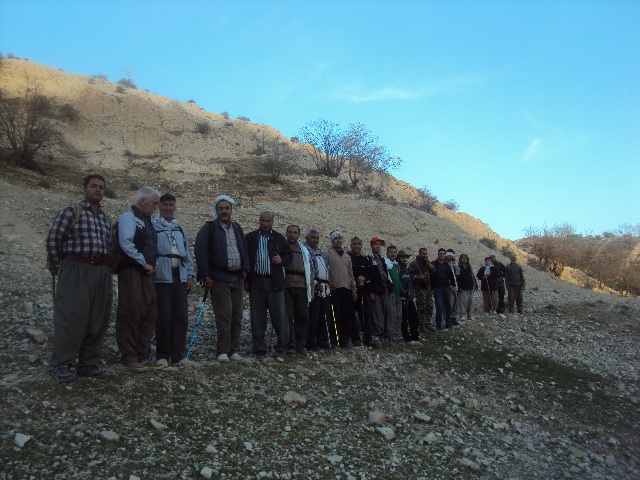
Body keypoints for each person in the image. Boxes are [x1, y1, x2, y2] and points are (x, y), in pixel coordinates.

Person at [46, 174, 113, 381]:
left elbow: (109, 245)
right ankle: (62, 364)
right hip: (75, 267)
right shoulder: (70, 212)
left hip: (100, 270)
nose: (98, 190)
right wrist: (60, 267)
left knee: (97, 319)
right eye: (93, 186)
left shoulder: (105, 219)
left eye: (101, 187)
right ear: (84, 189)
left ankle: (88, 364)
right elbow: (53, 239)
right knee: (71, 317)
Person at [194, 195, 250, 362]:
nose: (224, 211)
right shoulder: (209, 228)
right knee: (224, 314)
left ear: (231, 210)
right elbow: (200, 250)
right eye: (221, 208)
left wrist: (246, 269)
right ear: (216, 210)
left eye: (227, 208)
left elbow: (244, 250)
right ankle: (223, 351)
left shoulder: (237, 228)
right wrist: (205, 275)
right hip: (219, 278)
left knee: (237, 314)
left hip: (238, 277)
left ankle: (234, 350)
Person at [116, 186, 163, 371]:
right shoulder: (128, 218)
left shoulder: (148, 221)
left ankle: (143, 356)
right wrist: (144, 262)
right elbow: (126, 243)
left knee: (150, 312)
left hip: (147, 273)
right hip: (132, 272)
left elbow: (152, 245)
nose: (156, 207)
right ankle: (129, 358)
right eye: (154, 203)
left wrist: (154, 262)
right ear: (142, 201)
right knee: (131, 313)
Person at [152, 193, 195, 367]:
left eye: (171, 205)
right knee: (164, 316)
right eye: (165, 205)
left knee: (180, 316)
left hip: (180, 277)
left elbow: (186, 255)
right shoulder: (154, 227)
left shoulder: (180, 229)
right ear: (159, 206)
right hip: (162, 277)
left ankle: (178, 355)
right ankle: (162, 354)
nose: (168, 208)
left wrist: (190, 275)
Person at [245, 211, 292, 358]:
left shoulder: (278, 238)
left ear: (272, 222)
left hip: (274, 281)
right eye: (263, 220)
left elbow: (289, 255)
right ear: (259, 221)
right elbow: (245, 258)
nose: (265, 223)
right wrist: (246, 279)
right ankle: (259, 348)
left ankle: (282, 345)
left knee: (279, 315)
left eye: (268, 221)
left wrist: (281, 259)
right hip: (256, 281)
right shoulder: (251, 238)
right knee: (257, 316)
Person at [283, 224, 314, 355]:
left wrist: (311, 290)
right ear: (286, 233)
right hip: (286, 287)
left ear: (298, 235)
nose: (292, 234)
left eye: (295, 233)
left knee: (302, 316)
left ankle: (300, 344)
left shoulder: (304, 250)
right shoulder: (281, 247)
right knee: (287, 317)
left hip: (302, 287)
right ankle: (289, 344)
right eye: (290, 232)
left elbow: (311, 271)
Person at [325, 231, 359, 348]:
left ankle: (344, 340)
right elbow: (324, 270)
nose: (338, 240)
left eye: (340, 238)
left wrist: (353, 289)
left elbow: (351, 274)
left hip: (346, 289)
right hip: (334, 289)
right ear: (332, 240)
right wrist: (328, 282)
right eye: (336, 238)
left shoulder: (346, 256)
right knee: (335, 316)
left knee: (347, 315)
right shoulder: (328, 254)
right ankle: (335, 340)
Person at [304, 229, 334, 350]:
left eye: (317, 238)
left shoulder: (320, 252)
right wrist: (314, 283)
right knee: (313, 317)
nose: (315, 240)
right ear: (307, 238)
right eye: (313, 237)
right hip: (314, 287)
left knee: (323, 315)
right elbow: (307, 269)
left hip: (324, 288)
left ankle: (322, 340)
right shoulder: (305, 251)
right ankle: (311, 342)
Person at [348, 237, 379, 349]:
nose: (357, 246)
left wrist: (364, 278)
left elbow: (371, 274)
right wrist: (356, 279)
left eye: (359, 244)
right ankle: (355, 338)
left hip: (363, 290)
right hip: (350, 290)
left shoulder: (365, 259)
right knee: (351, 315)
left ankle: (367, 338)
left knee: (365, 315)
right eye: (354, 244)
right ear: (351, 245)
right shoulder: (347, 257)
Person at [368, 237, 393, 340]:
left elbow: (387, 275)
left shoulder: (382, 260)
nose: (378, 246)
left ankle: (387, 334)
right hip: (375, 289)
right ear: (372, 246)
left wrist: (391, 290)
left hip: (385, 287)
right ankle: (378, 333)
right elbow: (368, 276)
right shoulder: (368, 259)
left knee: (388, 311)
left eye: (379, 244)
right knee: (377, 313)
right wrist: (369, 291)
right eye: (376, 244)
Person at [408, 248, 436, 333]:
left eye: (426, 254)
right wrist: (417, 276)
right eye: (423, 254)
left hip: (427, 288)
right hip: (419, 289)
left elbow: (434, 271)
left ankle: (427, 323)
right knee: (421, 307)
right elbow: (409, 274)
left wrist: (429, 264)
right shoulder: (414, 264)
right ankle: (421, 325)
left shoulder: (427, 263)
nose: (425, 255)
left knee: (429, 306)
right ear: (419, 253)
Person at [397, 250, 420, 343]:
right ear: (399, 258)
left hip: (410, 297)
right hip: (402, 297)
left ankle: (415, 336)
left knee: (414, 317)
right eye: (402, 257)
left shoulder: (407, 268)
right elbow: (398, 282)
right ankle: (406, 337)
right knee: (404, 319)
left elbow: (410, 281)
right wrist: (402, 291)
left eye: (406, 257)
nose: (404, 259)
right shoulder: (398, 268)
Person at [430, 248, 457, 329]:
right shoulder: (434, 264)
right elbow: (430, 277)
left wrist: (453, 285)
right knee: (439, 306)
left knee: (448, 306)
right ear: (438, 254)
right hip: (437, 288)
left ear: (445, 255)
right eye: (440, 253)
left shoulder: (447, 265)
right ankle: (438, 324)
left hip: (446, 287)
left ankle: (448, 323)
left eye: (443, 253)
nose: (442, 255)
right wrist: (431, 288)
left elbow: (451, 276)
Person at [385, 245, 403, 342]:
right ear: (387, 253)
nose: (393, 254)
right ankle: (391, 335)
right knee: (391, 315)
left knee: (398, 316)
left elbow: (398, 280)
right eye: (391, 252)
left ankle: (397, 334)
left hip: (398, 295)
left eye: (394, 252)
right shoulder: (386, 264)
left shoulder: (395, 266)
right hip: (390, 294)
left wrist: (402, 290)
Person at [455, 253, 477, 321]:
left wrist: (475, 284)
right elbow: (457, 277)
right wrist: (459, 287)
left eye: (466, 258)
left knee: (471, 301)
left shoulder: (469, 267)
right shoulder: (458, 267)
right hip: (463, 288)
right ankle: (463, 315)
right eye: (463, 258)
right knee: (464, 301)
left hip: (470, 287)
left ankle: (470, 315)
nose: (465, 260)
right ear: (460, 259)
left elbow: (472, 276)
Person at [446, 250, 460, 325]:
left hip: (455, 285)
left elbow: (458, 273)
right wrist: (451, 286)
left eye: (451, 256)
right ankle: (448, 319)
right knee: (450, 303)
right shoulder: (445, 264)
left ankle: (454, 318)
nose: (450, 257)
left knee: (456, 304)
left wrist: (455, 265)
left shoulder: (453, 264)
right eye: (449, 255)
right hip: (449, 286)